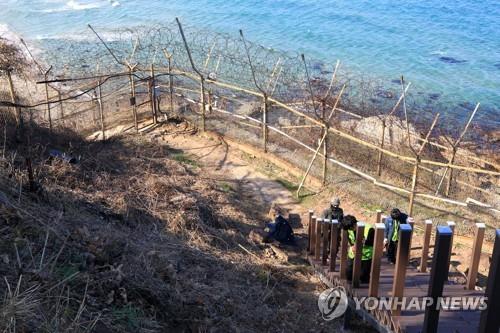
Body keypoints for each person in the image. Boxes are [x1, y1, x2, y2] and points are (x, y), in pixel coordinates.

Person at [343, 215, 374, 283]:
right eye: (349, 229)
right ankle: (349, 288)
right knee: (349, 273)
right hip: (353, 254)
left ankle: (364, 292)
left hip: (365, 255)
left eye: (351, 228)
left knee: (363, 277)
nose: (350, 230)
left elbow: (373, 242)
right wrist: (352, 246)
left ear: (354, 223)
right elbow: (350, 239)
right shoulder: (349, 229)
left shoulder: (369, 229)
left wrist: (363, 242)